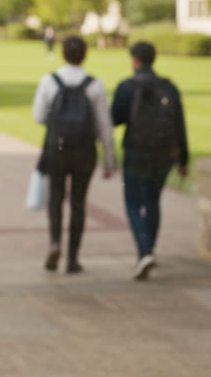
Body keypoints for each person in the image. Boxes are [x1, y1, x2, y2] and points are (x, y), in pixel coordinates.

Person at [31, 35, 116, 273]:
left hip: (56, 148)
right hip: (84, 150)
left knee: (56, 198)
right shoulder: (94, 85)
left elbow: (38, 116)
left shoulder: (49, 81)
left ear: (62, 53)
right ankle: (72, 258)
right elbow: (104, 126)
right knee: (78, 202)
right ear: (85, 55)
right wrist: (110, 160)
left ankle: (55, 242)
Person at [110, 40, 188, 280]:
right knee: (153, 201)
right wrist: (183, 159)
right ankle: (149, 250)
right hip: (164, 156)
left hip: (136, 154)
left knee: (133, 204)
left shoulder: (127, 87)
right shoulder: (169, 87)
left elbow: (114, 119)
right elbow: (179, 125)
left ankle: (144, 252)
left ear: (134, 60)